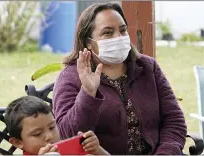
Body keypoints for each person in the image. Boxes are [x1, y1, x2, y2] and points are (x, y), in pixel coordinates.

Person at [53, 2, 187, 155]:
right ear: (89, 43)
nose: (118, 37)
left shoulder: (148, 67)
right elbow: (67, 136)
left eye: (123, 30)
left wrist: (166, 153)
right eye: (108, 32)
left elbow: (174, 121)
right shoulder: (71, 77)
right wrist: (88, 93)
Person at [4, 96, 109, 155]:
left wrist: (98, 150)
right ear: (18, 142)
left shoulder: (72, 150)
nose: (49, 136)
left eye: (52, 127)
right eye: (37, 134)